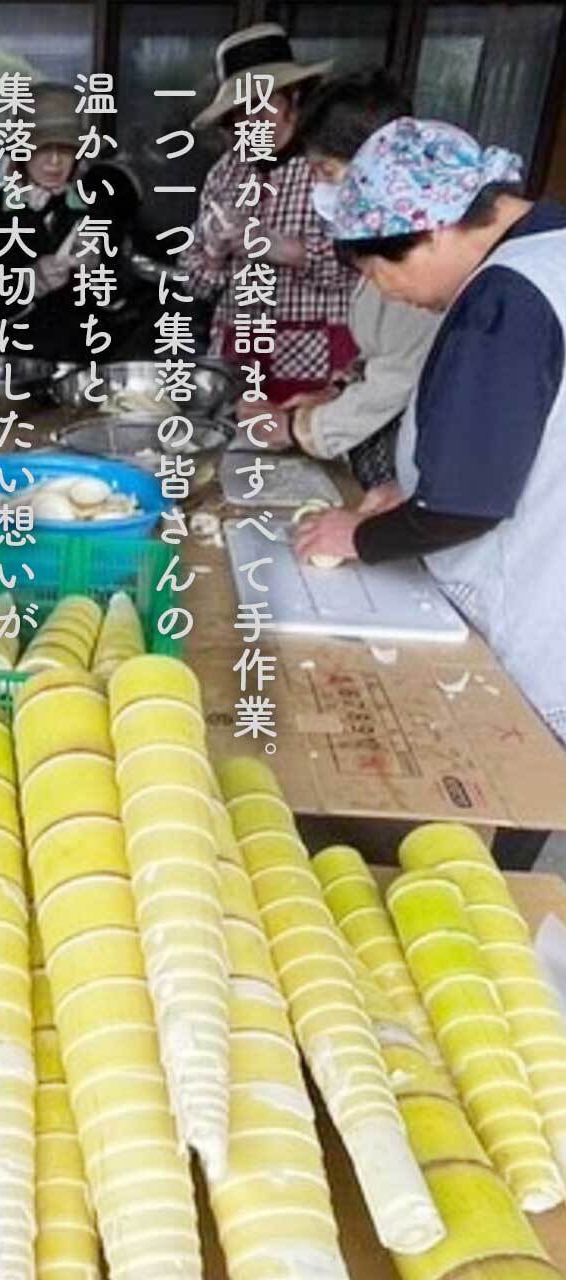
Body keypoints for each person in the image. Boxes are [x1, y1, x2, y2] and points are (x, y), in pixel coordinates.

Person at [293, 117, 566, 867]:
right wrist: (408, 498)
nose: (392, 295)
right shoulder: (551, 250)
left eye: (383, 273)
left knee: (486, 833)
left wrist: (359, 535)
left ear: (432, 233)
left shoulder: (505, 299)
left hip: (539, 623)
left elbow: (472, 501)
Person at [248, 69, 440, 490]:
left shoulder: (420, 244)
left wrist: (302, 430)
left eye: (326, 172)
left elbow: (399, 371)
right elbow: (379, 355)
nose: (318, 186)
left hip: (416, 449)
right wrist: (335, 390)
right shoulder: (382, 230)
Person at [182, 24, 359, 403]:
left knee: (308, 454)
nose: (250, 122)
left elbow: (368, 266)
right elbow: (194, 282)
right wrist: (213, 254)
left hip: (321, 358)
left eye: (261, 104)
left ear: (294, 97)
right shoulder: (226, 172)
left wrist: (283, 248)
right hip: (236, 355)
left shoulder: (332, 163)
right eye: (238, 113)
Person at [0, 81, 146, 363]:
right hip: (14, 369)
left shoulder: (98, 206)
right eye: (42, 148)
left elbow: (123, 302)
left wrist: (97, 273)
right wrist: (29, 283)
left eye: (66, 149)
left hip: (85, 366)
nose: (55, 162)